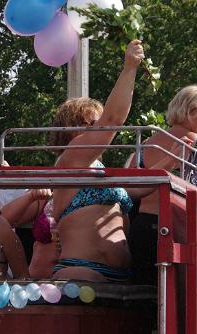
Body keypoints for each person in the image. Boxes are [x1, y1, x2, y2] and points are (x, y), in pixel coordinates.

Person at [51, 39, 145, 283]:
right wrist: (130, 68)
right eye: (92, 124)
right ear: (71, 129)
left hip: (121, 277)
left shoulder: (104, 170)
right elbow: (112, 119)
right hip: (81, 271)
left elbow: (141, 191)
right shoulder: (68, 160)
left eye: (97, 124)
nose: (98, 128)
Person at [128, 85, 197, 284]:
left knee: (144, 298)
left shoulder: (145, 145)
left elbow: (130, 190)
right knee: (180, 304)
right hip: (175, 231)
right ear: (190, 111)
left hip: (142, 226)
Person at [1, 189, 58, 278]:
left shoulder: (85, 196)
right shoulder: (48, 196)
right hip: (33, 285)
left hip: (69, 281)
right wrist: (31, 196)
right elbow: (1, 221)